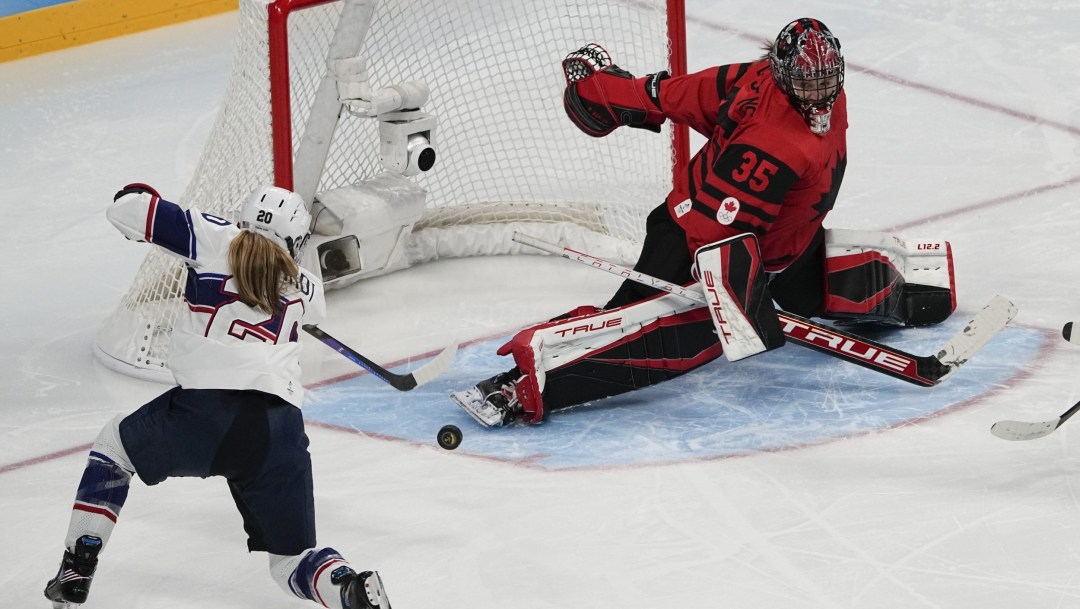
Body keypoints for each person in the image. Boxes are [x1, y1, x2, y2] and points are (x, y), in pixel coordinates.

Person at [452, 18, 955, 427]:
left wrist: (606, 89)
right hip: (693, 238)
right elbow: (717, 232)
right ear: (782, 75)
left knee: (812, 293)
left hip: (788, 243)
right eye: (806, 82)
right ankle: (529, 380)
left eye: (826, 80)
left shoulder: (753, 78)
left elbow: (671, 94)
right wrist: (742, 303)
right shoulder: (770, 146)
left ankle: (894, 291)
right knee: (667, 331)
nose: (818, 93)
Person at [44, 184, 391, 609]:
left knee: (114, 448)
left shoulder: (212, 235)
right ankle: (347, 588)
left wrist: (144, 200)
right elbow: (296, 297)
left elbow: (126, 211)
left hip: (204, 415)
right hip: (278, 432)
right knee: (290, 563)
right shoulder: (310, 290)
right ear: (296, 241)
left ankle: (77, 569)